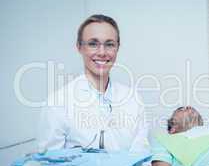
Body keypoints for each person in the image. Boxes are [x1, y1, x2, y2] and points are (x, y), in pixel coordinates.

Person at [37, 14, 149, 153]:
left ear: (117, 48)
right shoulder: (58, 102)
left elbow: (141, 155)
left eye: (109, 44)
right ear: (79, 47)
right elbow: (48, 164)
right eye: (93, 44)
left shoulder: (133, 98)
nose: (102, 52)